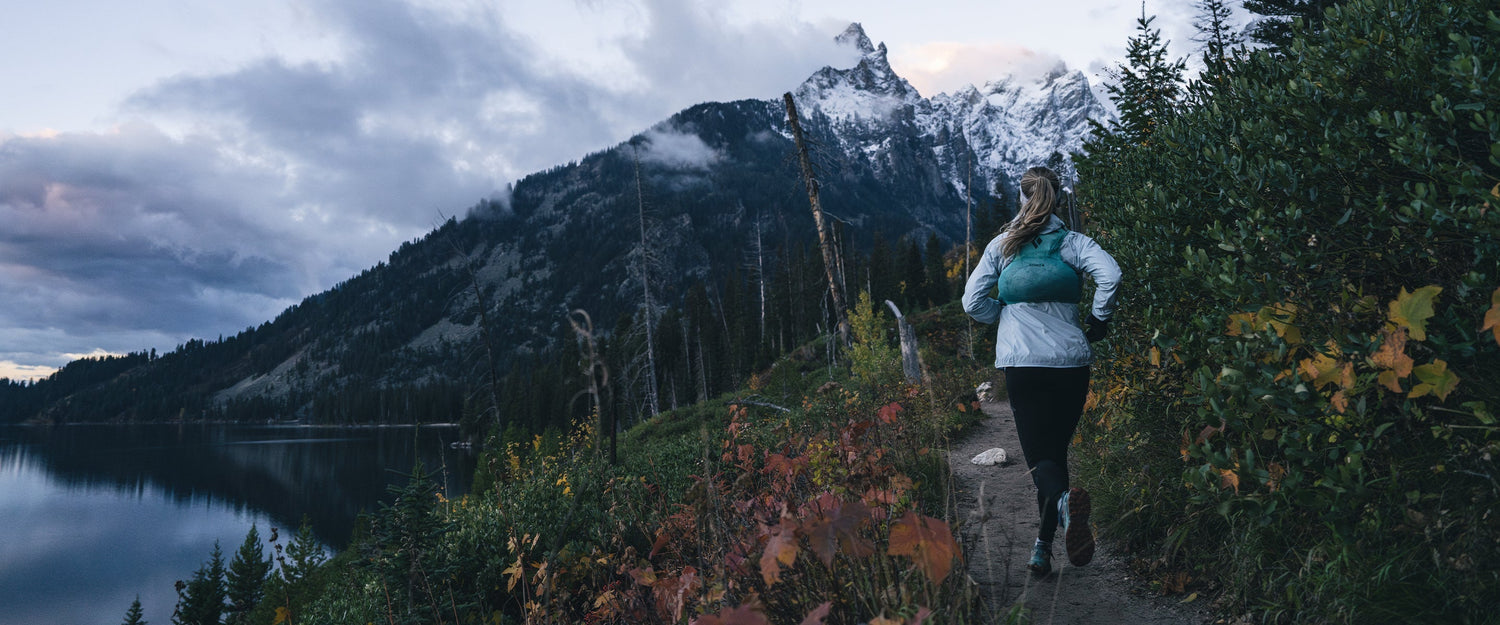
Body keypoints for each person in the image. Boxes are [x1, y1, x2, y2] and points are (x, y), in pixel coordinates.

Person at [961, 165, 1121, 575]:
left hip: (1024, 364)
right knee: (1055, 455)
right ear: (1056, 198)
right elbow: (1111, 275)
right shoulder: (1073, 242)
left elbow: (972, 302)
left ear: (1022, 197)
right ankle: (1043, 546)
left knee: (1041, 462)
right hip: (1071, 363)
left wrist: (1003, 311)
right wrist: (1099, 320)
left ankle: (1063, 507)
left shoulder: (1004, 245)